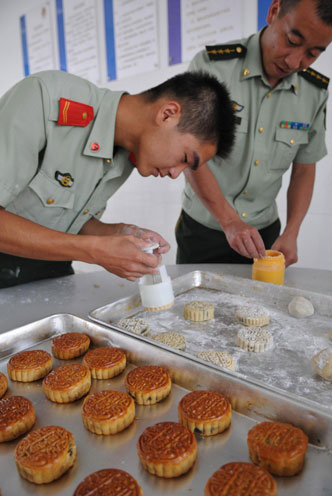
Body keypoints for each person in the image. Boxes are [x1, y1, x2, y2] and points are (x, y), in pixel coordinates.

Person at [0, 69, 235, 288]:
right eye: (184, 157)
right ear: (167, 114)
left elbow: (63, 218)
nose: (176, 173)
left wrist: (116, 233)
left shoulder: (127, 154)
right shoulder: (44, 98)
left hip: (46, 275)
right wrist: (93, 250)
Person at [176, 0, 332, 267]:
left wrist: (292, 232)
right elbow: (190, 154)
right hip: (203, 231)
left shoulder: (314, 92)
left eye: (313, 54)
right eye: (292, 41)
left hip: (266, 234)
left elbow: (305, 167)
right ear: (273, 12)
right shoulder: (213, 67)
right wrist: (230, 221)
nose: (295, 61)